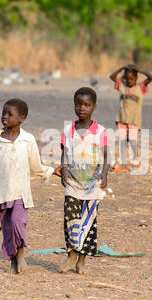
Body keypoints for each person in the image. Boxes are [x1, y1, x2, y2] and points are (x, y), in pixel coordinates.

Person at [0, 98, 64, 274]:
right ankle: (13, 259)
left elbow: (35, 165)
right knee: (8, 228)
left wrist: (51, 171)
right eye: (4, 113)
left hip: (21, 193)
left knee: (18, 223)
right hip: (3, 193)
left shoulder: (27, 140)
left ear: (22, 118)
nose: (5, 117)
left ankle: (20, 253)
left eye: (10, 114)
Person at [59, 87, 110, 275]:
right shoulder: (68, 130)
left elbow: (106, 157)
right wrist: (63, 172)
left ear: (94, 107)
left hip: (92, 185)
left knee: (89, 222)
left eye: (87, 105)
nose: (82, 108)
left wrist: (104, 174)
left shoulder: (101, 131)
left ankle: (82, 260)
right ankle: (71, 253)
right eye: (78, 105)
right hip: (73, 183)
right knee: (70, 219)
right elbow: (64, 155)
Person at [109, 64, 152, 172]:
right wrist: (121, 68)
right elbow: (112, 77)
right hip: (122, 119)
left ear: (136, 78)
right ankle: (123, 165)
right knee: (123, 142)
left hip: (134, 120)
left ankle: (136, 158)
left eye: (132, 79)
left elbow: (151, 77)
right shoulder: (121, 86)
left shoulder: (140, 87)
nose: (129, 81)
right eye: (127, 79)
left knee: (132, 141)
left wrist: (140, 69)